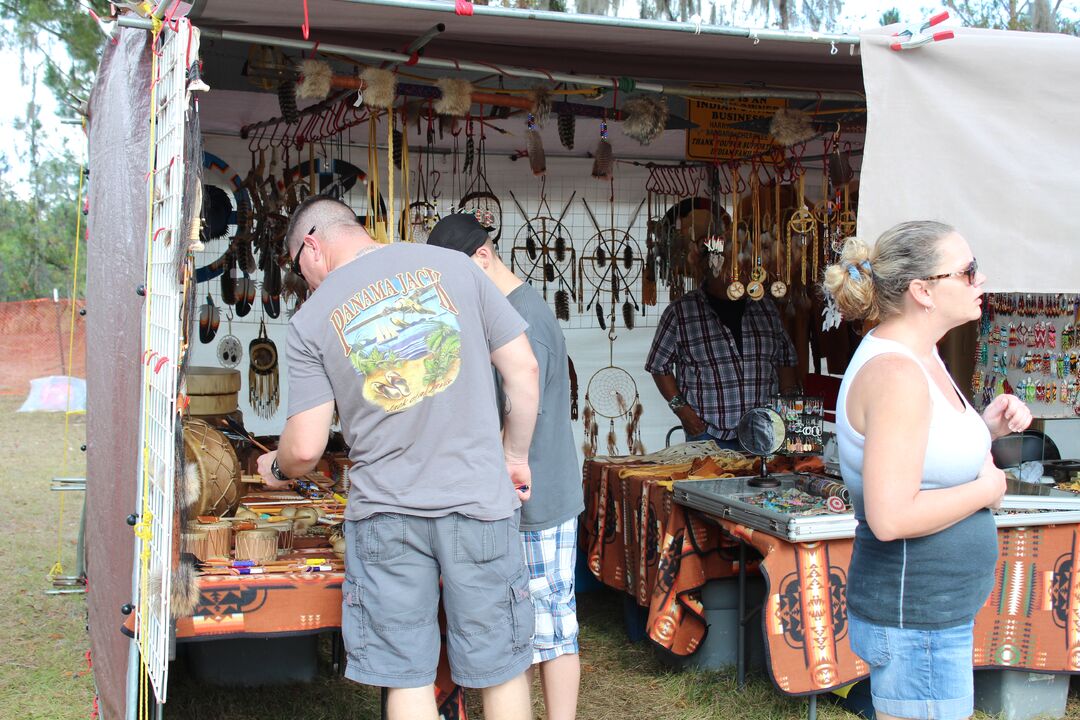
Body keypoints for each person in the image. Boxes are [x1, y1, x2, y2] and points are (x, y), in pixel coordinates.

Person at [255, 196, 541, 720]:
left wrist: (274, 468)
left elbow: (303, 448)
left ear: (312, 246)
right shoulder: (455, 268)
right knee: (499, 665)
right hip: (478, 500)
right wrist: (514, 455)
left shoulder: (312, 318)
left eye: (300, 268)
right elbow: (523, 370)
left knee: (405, 672)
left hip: (387, 517)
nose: (306, 283)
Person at [823, 220, 1032, 720]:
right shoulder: (897, 373)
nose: (980, 281)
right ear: (923, 291)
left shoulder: (922, 356)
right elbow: (891, 516)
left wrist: (985, 429)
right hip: (914, 615)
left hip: (931, 614)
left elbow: (923, 454)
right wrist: (989, 486)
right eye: (968, 271)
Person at [427, 212, 583, 720]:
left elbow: (524, 408)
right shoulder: (502, 311)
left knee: (553, 628)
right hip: (515, 494)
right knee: (519, 624)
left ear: (483, 257)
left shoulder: (524, 316)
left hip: (539, 498)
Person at [645, 234, 798, 448]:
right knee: (711, 482)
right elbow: (658, 366)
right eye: (738, 267)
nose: (746, 273)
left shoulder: (766, 308)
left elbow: (786, 359)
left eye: (747, 266)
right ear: (714, 267)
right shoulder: (681, 312)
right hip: (707, 433)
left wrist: (789, 417)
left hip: (764, 432)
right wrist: (682, 411)